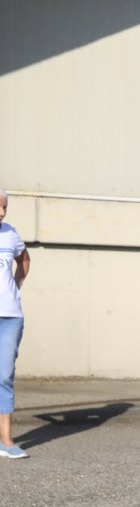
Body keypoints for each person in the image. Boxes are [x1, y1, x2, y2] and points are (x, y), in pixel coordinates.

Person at [0, 188, 29, 459]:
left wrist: (16, 285)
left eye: (5, 207)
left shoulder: (10, 234)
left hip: (10, 317)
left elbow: (25, 259)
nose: (2, 212)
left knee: (4, 376)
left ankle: (6, 441)